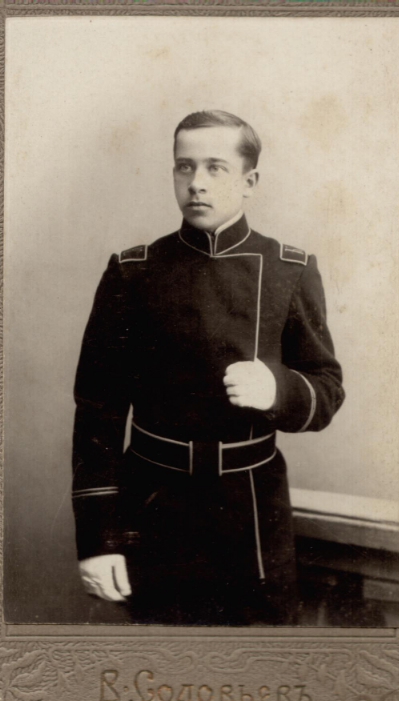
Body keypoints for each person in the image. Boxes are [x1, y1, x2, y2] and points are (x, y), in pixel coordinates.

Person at [72, 110, 345, 625]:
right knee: (165, 662)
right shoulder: (132, 272)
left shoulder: (289, 269)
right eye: (184, 166)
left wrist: (278, 389)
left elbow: (327, 389)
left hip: (254, 515)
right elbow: (97, 413)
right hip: (153, 506)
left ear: (249, 182)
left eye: (215, 167)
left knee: (256, 664)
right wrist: (99, 539)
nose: (196, 182)